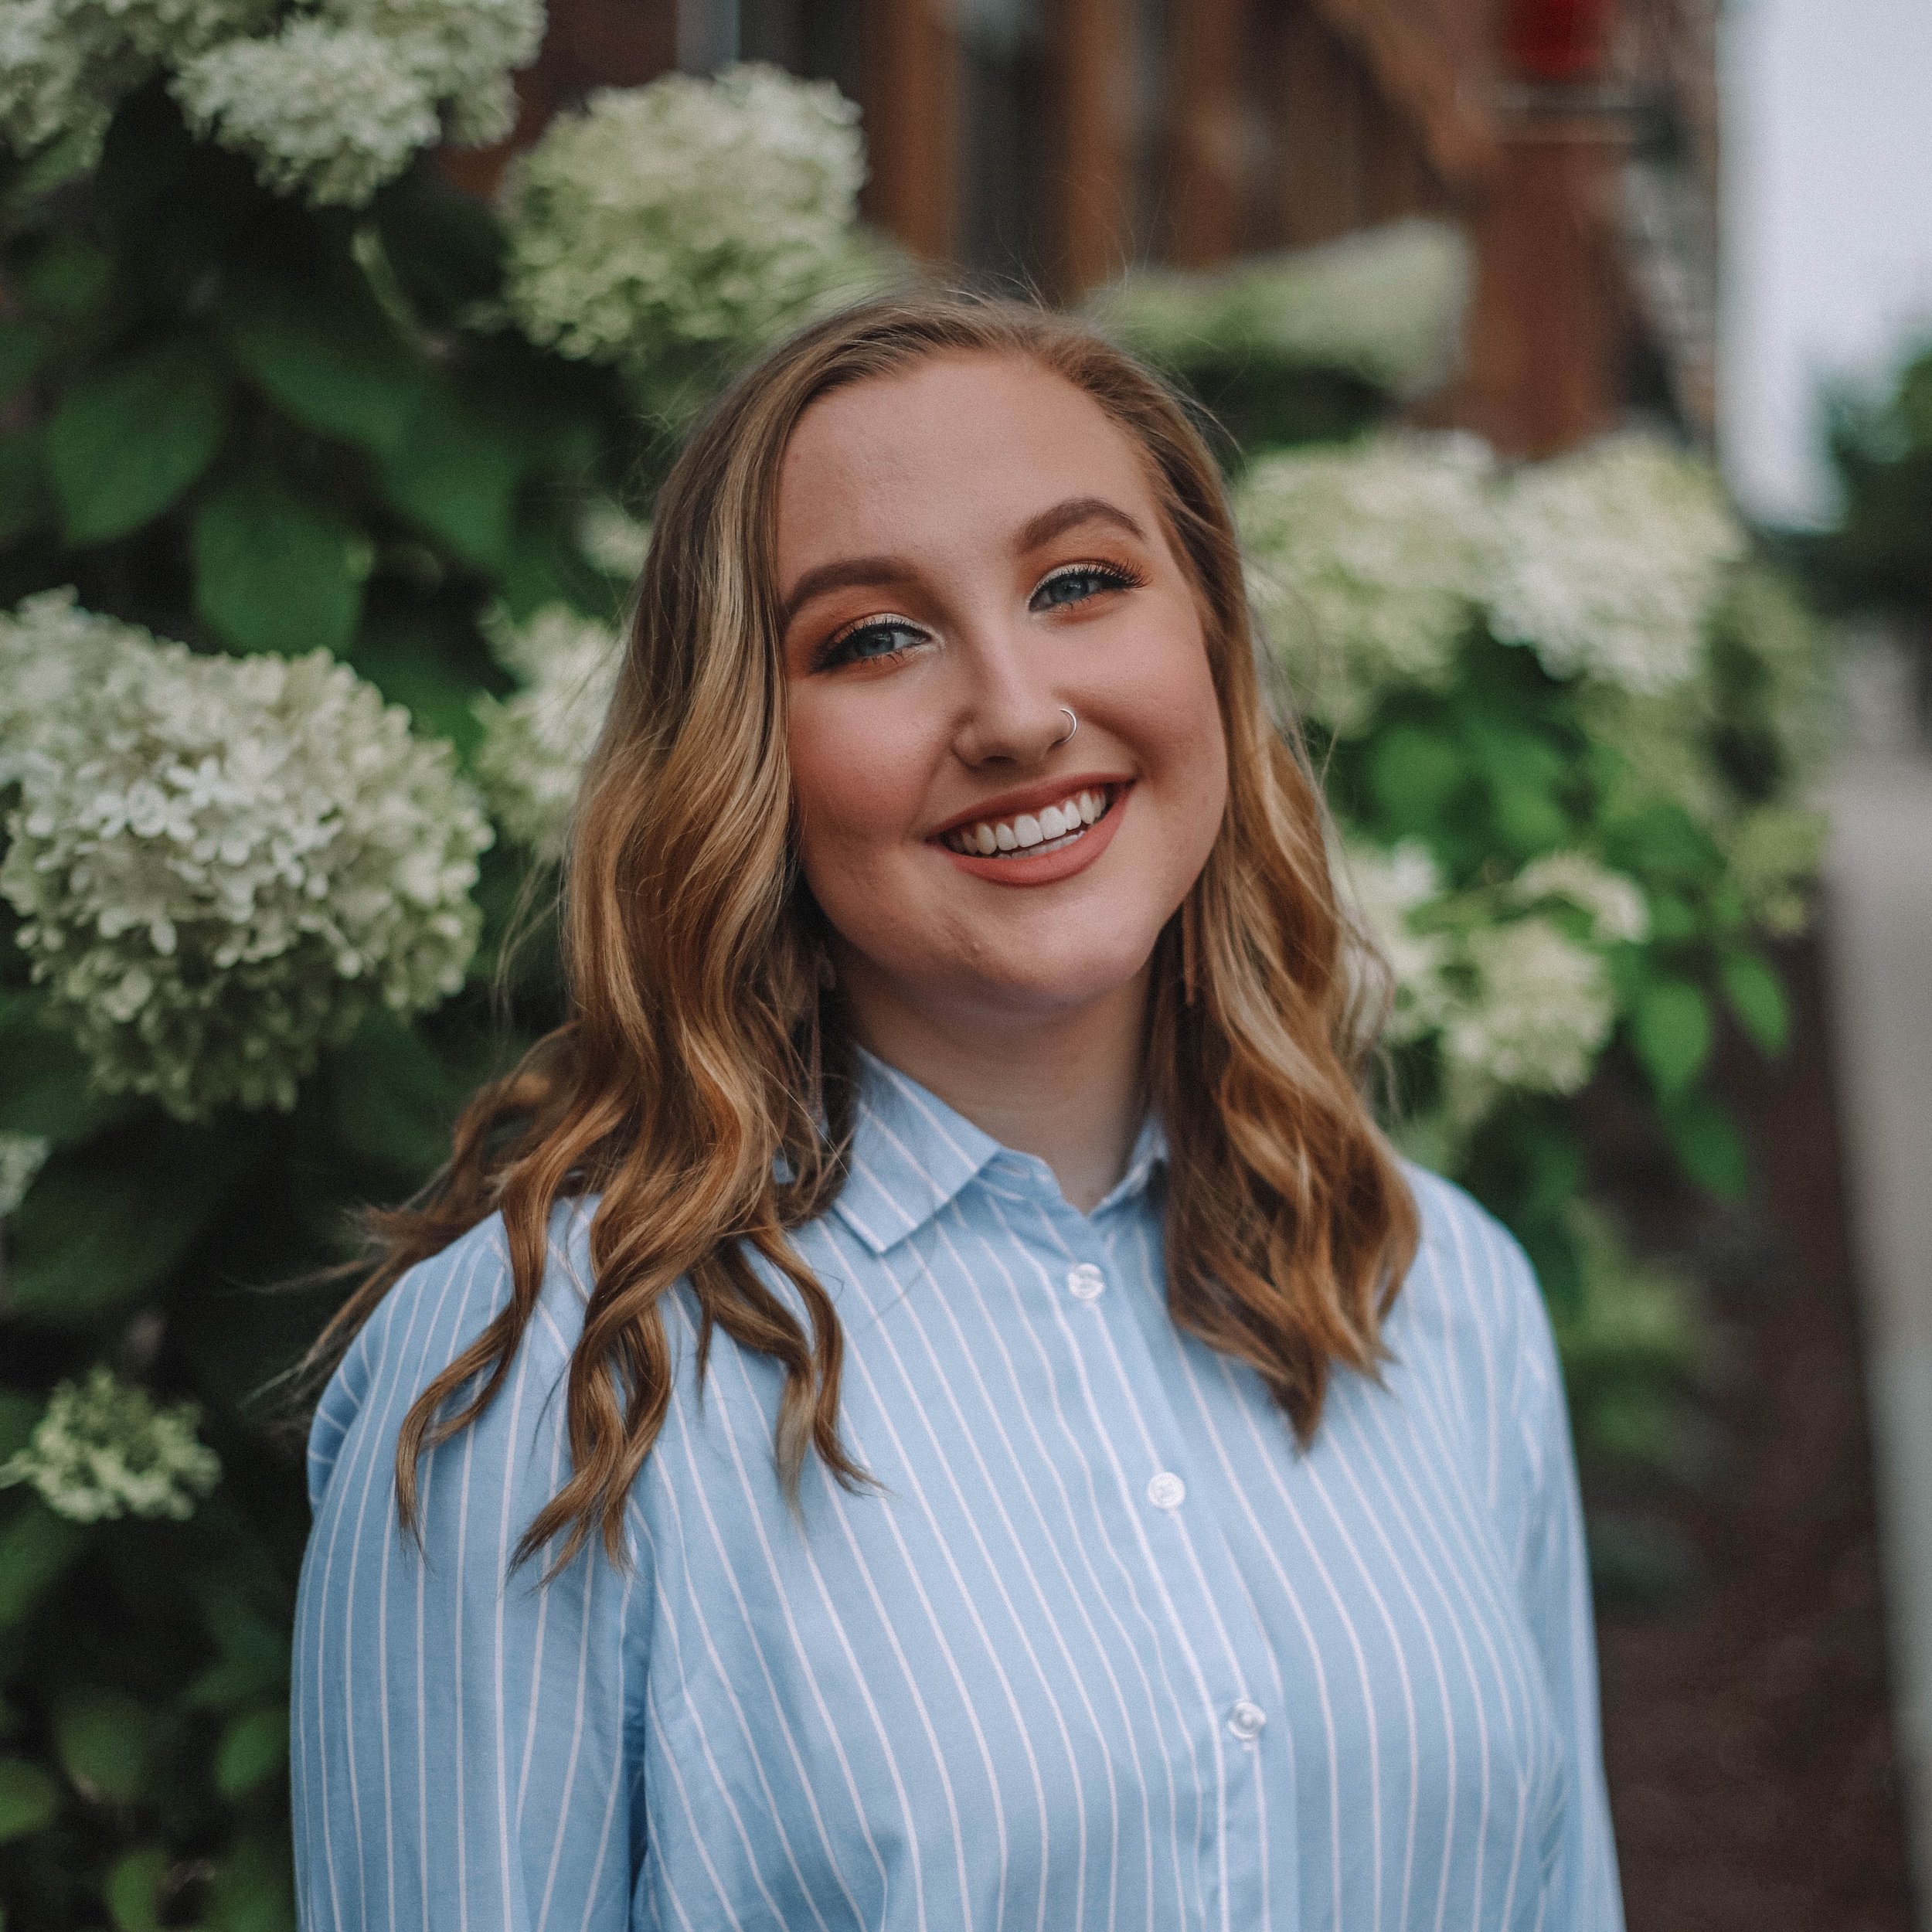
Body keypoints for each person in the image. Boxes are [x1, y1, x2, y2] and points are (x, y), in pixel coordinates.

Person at [289, 294, 1625, 1931]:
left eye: (1078, 584)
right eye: (871, 638)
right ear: (744, 754)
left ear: (1205, 637)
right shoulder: (548, 1370)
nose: (1009, 710)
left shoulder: (1434, 1287)